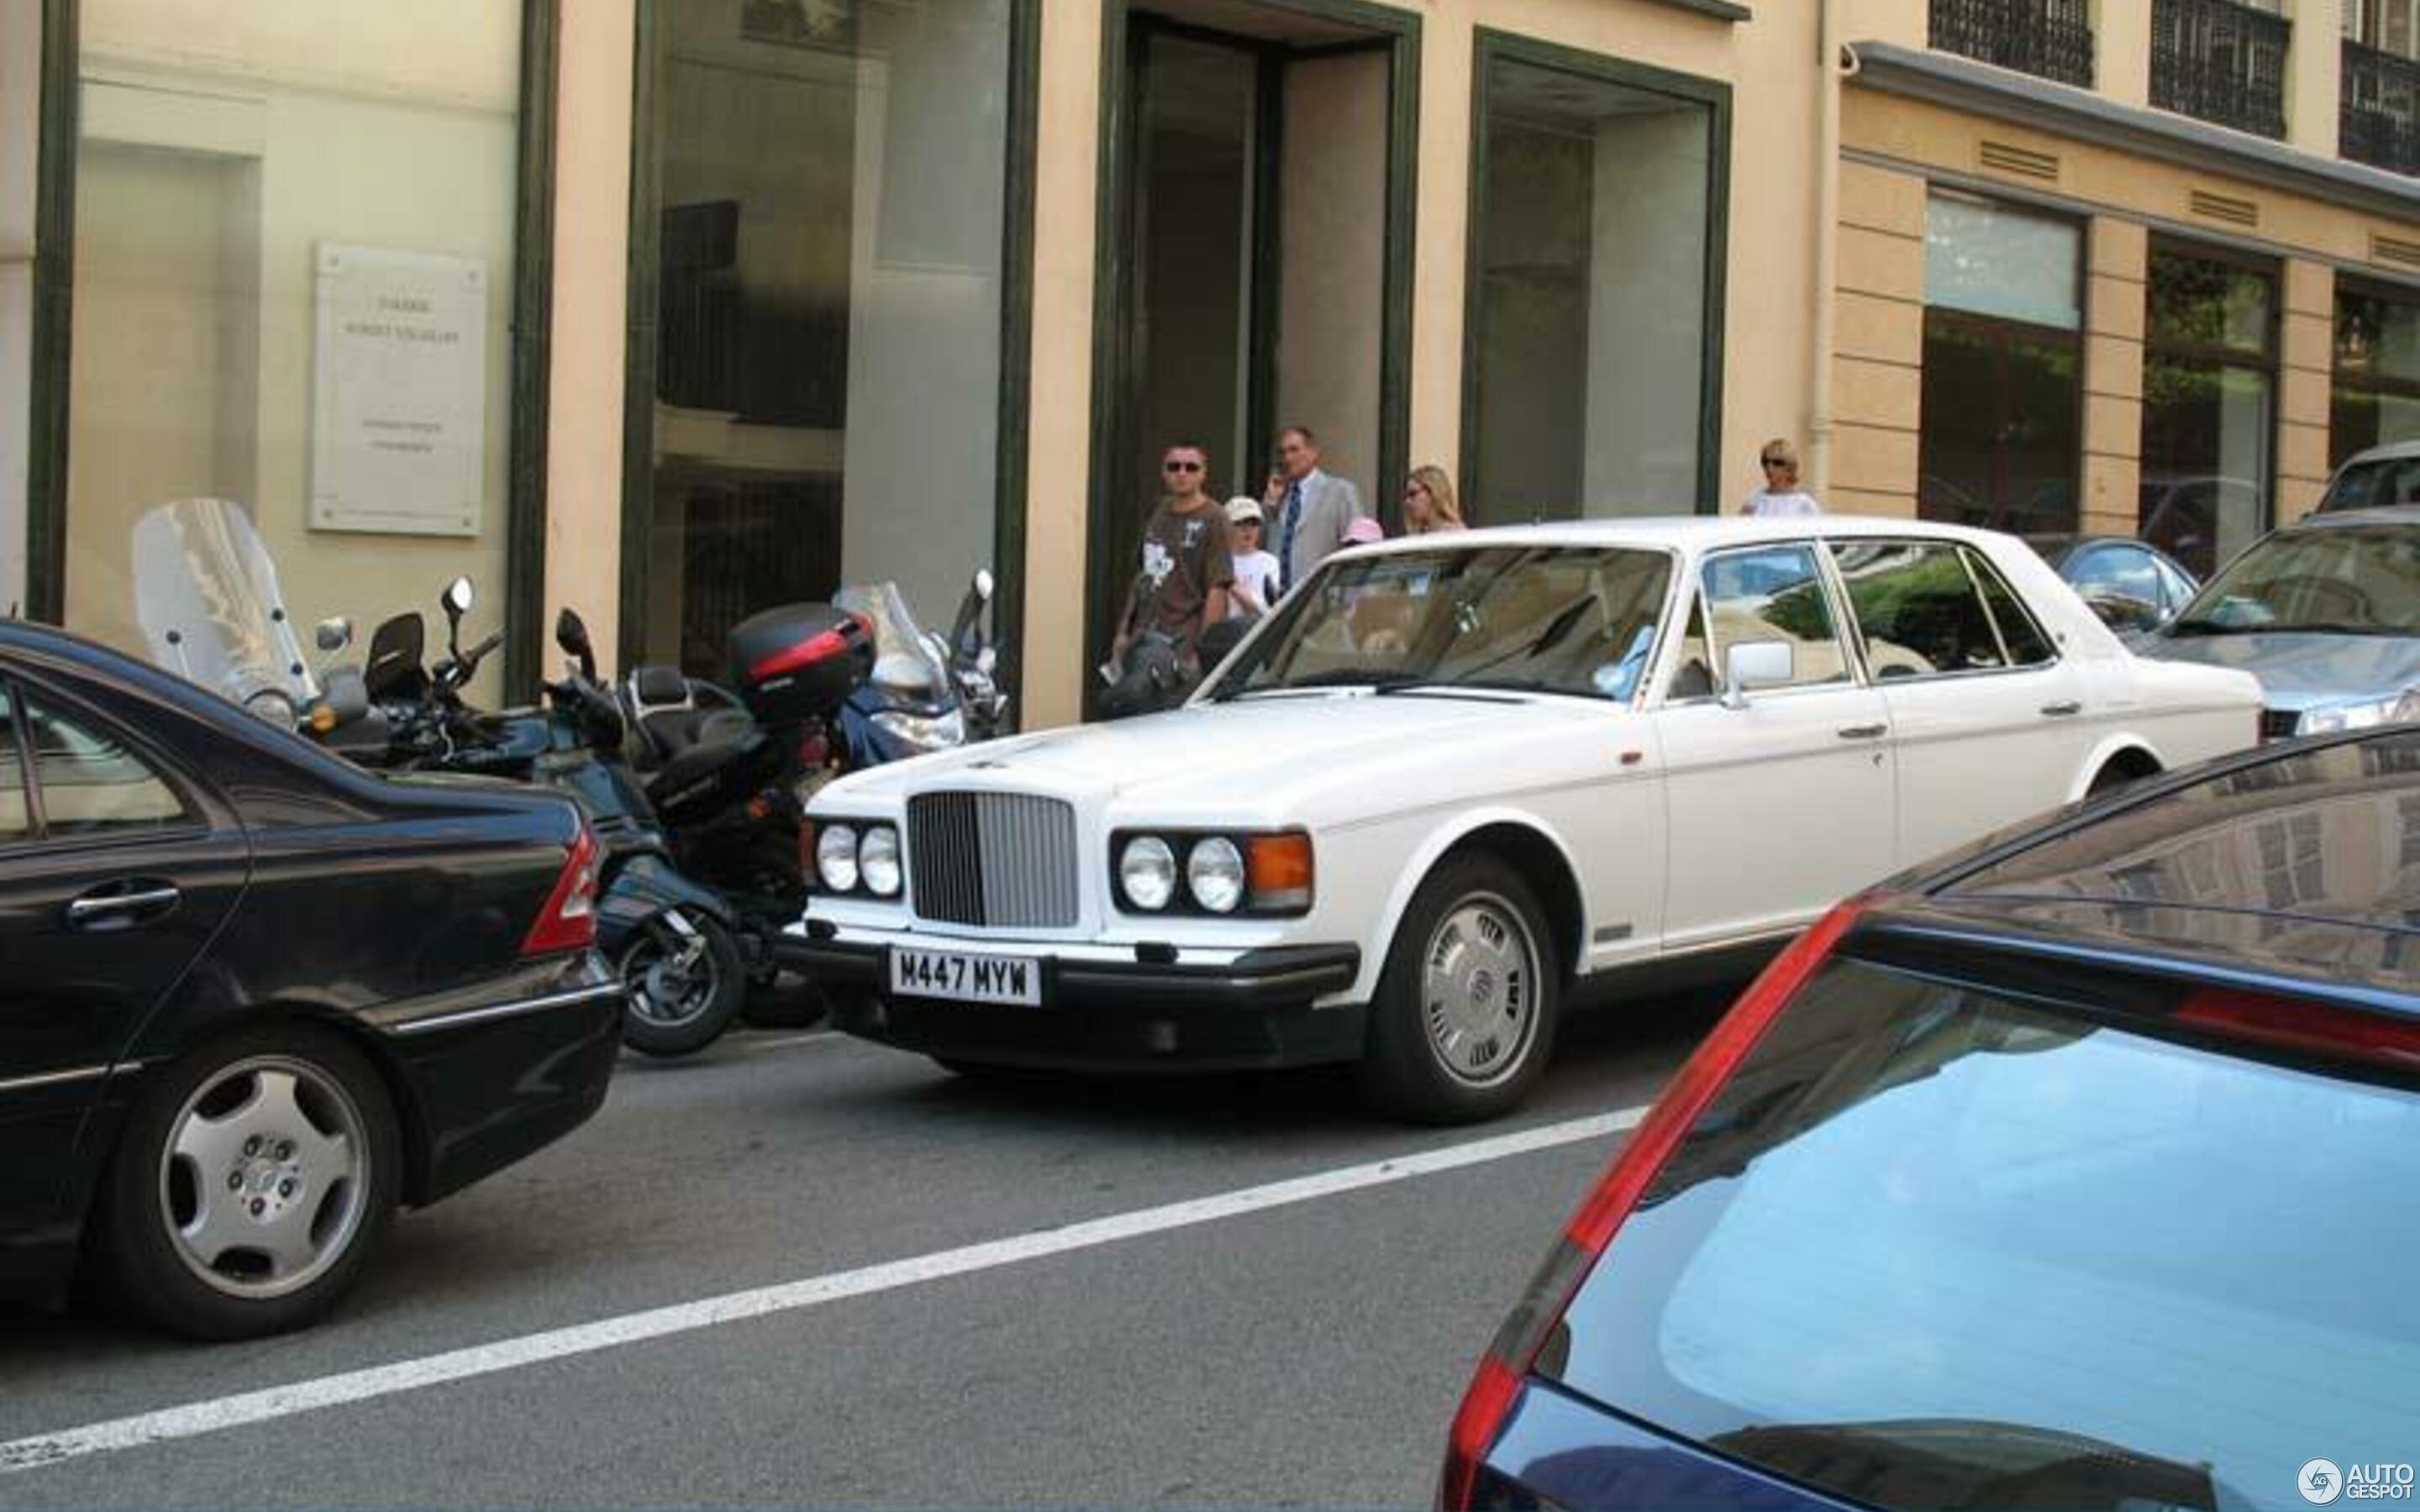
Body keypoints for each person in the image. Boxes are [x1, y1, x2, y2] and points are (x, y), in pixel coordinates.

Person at [1113, 442, 1233, 676]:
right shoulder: (1157, 511)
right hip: (1142, 636)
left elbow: (1218, 588)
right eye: (1174, 466)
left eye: (1191, 467)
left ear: (1203, 474)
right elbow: (1141, 575)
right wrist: (1122, 632)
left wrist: (1201, 653)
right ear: (1164, 472)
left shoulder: (1214, 518)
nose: (1182, 473)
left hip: (1182, 641)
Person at [1262, 425, 1368, 587]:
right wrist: (1270, 505)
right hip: (1279, 600)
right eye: (1282, 452)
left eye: (1294, 450)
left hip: (1320, 595)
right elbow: (1258, 545)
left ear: (1313, 453)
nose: (1287, 458)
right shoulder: (1277, 495)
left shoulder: (1340, 492)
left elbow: (1357, 550)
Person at [1225, 496, 1282, 620]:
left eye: (1254, 523)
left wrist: (1233, 587)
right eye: (1240, 523)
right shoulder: (1217, 560)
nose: (1248, 529)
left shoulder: (1270, 562)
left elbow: (1267, 610)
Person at [1742, 438, 1822, 517]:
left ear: (1789, 466)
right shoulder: (1754, 501)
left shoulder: (1805, 504)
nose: (1769, 467)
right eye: (1765, 462)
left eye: (1777, 463)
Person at [1402, 465, 1465, 534]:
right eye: (1405, 497)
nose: (1407, 501)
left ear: (1433, 492)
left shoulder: (1456, 534)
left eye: (1413, 494)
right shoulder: (1418, 535)